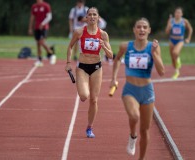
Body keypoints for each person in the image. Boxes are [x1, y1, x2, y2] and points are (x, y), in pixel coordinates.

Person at [110, 18, 165, 160]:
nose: (142, 29)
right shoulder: (125, 46)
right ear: (134, 30)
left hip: (147, 91)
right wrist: (113, 78)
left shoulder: (153, 47)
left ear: (149, 30)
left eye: (144, 27)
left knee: (145, 130)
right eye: (139, 27)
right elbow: (116, 60)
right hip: (130, 90)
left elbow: (162, 71)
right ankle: (132, 136)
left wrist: (154, 53)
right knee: (134, 116)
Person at [65, 7, 113, 138]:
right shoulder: (79, 32)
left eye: (94, 15)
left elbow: (111, 55)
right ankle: (82, 89)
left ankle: (89, 127)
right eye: (90, 14)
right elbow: (70, 46)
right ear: (86, 18)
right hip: (82, 67)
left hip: (97, 67)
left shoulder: (103, 34)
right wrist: (68, 63)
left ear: (98, 18)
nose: (92, 17)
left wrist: (104, 46)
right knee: (84, 96)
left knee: (94, 100)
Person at [165, 7, 193, 79]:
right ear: (174, 13)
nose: (177, 14)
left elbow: (190, 29)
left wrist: (188, 38)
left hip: (180, 40)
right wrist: (169, 27)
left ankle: (178, 60)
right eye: (176, 12)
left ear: (182, 14)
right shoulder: (171, 21)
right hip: (172, 40)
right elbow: (166, 32)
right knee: (172, 59)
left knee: (175, 53)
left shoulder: (184, 21)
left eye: (179, 13)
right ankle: (176, 71)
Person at [28, 0, 56, 67]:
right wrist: (30, 28)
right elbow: (32, 17)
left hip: (44, 27)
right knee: (38, 44)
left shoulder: (46, 5)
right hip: (36, 27)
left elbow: (49, 17)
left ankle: (51, 54)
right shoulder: (34, 6)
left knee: (41, 42)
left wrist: (43, 24)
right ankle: (39, 60)